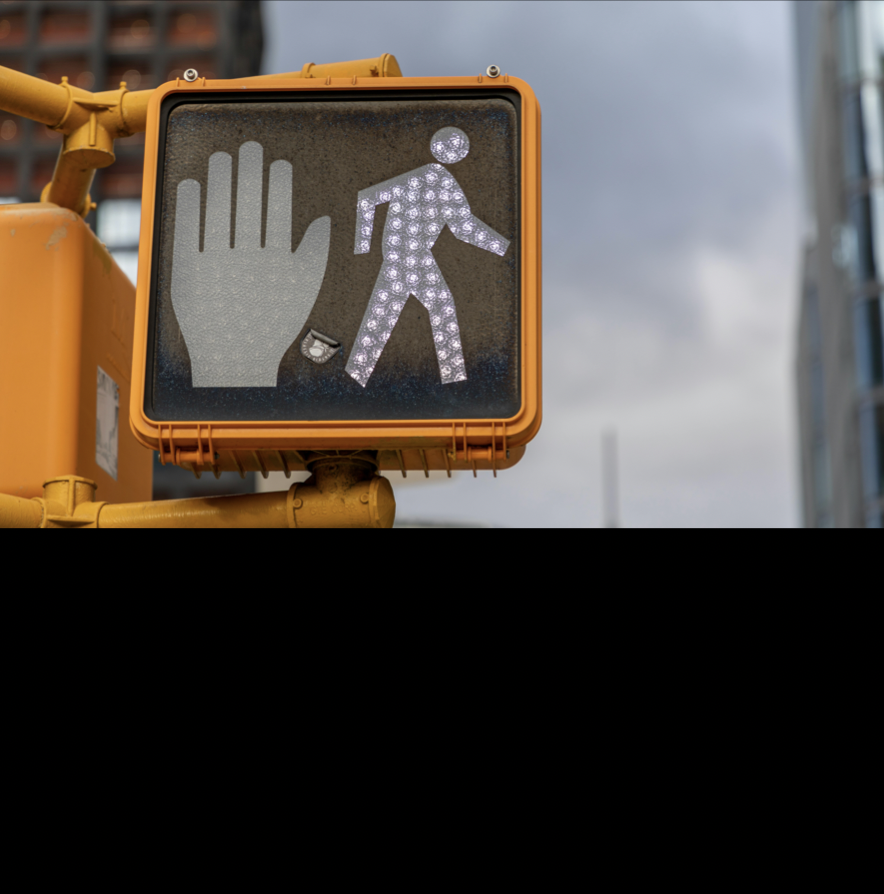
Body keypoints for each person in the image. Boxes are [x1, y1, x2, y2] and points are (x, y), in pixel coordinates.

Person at [346, 127, 510, 387]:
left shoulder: (428, 179)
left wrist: (501, 247)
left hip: (406, 257)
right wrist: (361, 247)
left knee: (385, 315)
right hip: (409, 257)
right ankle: (453, 381)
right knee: (434, 307)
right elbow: (367, 199)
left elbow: (461, 227)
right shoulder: (434, 179)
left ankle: (356, 376)